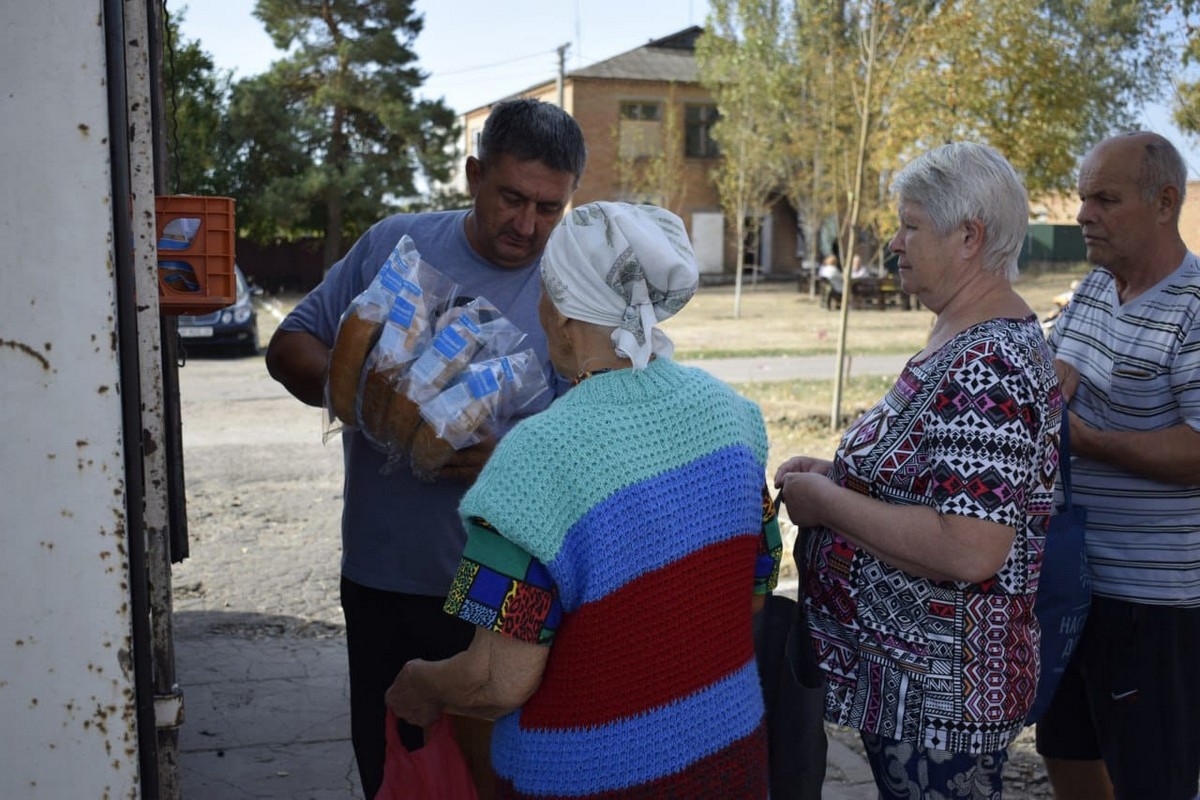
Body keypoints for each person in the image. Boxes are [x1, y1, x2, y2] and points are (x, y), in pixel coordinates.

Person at [384, 201, 782, 798]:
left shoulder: (535, 458)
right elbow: (755, 591)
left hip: (591, 780)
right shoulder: (736, 416)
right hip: (733, 759)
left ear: (563, 313)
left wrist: (421, 684)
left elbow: (497, 682)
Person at [264, 98, 586, 799]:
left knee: (500, 777)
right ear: (473, 174)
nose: (526, 226)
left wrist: (509, 459)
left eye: (548, 208)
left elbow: (590, 437)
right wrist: (362, 396)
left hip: (514, 591)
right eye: (510, 198)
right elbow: (288, 344)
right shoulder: (395, 246)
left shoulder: (572, 288)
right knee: (394, 767)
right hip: (386, 575)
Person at [775, 142, 1061, 798]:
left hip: (942, 701)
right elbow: (944, 481)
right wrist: (846, 475)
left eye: (910, 225)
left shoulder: (986, 363)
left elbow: (970, 547)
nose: (895, 242)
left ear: (969, 237)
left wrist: (827, 503)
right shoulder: (965, 331)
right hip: (916, 692)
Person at [1036, 131, 1200, 800]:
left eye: (1105, 199)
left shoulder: (1194, 309)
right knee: (1066, 750)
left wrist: (1089, 439)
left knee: (1152, 780)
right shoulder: (1092, 291)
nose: (1082, 215)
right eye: (1082, 199)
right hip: (1073, 587)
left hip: (1154, 604)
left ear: (1165, 203)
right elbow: (1044, 377)